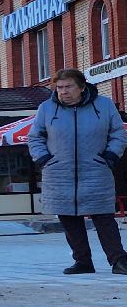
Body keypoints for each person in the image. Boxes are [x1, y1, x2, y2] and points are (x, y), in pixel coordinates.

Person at [27, 68, 127, 275]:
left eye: (68, 86)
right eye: (59, 87)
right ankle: (83, 261)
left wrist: (110, 156)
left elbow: (118, 133)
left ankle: (118, 260)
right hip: (59, 173)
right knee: (69, 218)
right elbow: (35, 137)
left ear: (81, 87)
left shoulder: (104, 106)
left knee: (103, 218)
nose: (63, 91)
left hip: (96, 170)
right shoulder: (46, 109)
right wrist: (44, 159)